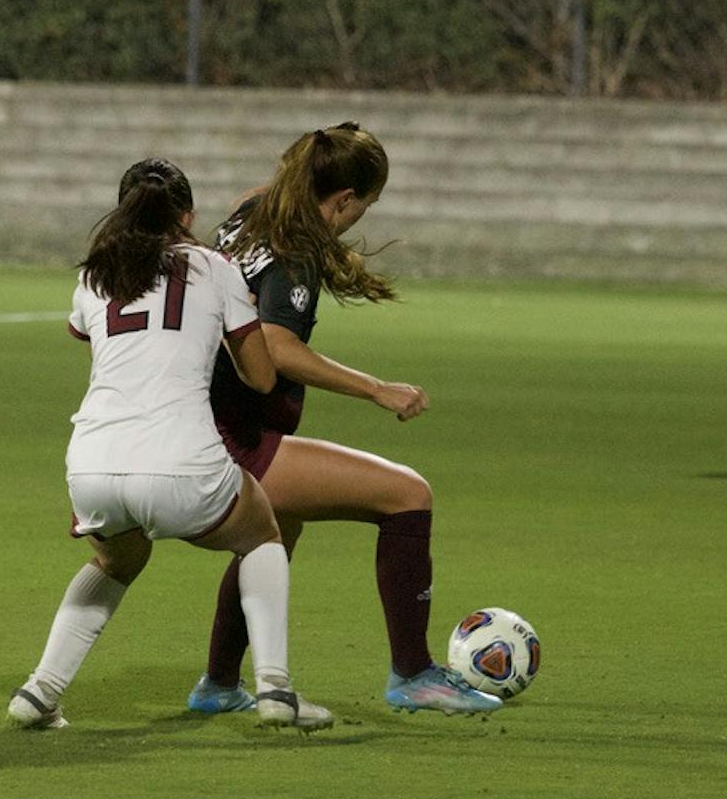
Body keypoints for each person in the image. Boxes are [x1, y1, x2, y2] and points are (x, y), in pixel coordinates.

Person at [183, 124, 502, 717]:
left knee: (275, 531)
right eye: (366, 205)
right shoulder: (296, 244)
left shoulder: (251, 211)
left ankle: (218, 685)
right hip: (235, 440)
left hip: (204, 419)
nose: (361, 219)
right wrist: (377, 389)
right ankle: (413, 673)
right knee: (408, 495)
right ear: (345, 198)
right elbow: (277, 345)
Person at [7, 159, 334, 732]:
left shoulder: (94, 276)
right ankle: (275, 689)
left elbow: (103, 356)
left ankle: (39, 692)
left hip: (92, 464)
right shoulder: (215, 267)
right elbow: (260, 378)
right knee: (262, 532)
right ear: (187, 215)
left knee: (118, 559)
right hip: (182, 461)